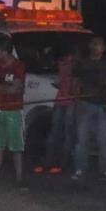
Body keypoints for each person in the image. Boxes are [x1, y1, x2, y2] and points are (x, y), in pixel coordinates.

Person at [71, 36, 106, 182]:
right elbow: (76, 82)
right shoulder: (83, 63)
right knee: (82, 139)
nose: (95, 47)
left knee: (103, 140)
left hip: (103, 104)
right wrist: (76, 100)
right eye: (93, 44)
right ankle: (80, 169)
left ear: (103, 48)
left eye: (98, 44)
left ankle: (105, 170)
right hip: (85, 104)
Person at [0, 36, 28, 182]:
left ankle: (19, 177)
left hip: (14, 110)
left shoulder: (18, 66)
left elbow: (15, 90)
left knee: (16, 146)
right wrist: (4, 88)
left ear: (3, 51)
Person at [38, 45, 78, 175]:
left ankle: (61, 163)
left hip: (70, 101)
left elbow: (75, 82)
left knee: (66, 133)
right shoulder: (62, 63)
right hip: (61, 99)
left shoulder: (75, 65)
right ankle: (49, 161)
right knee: (55, 132)